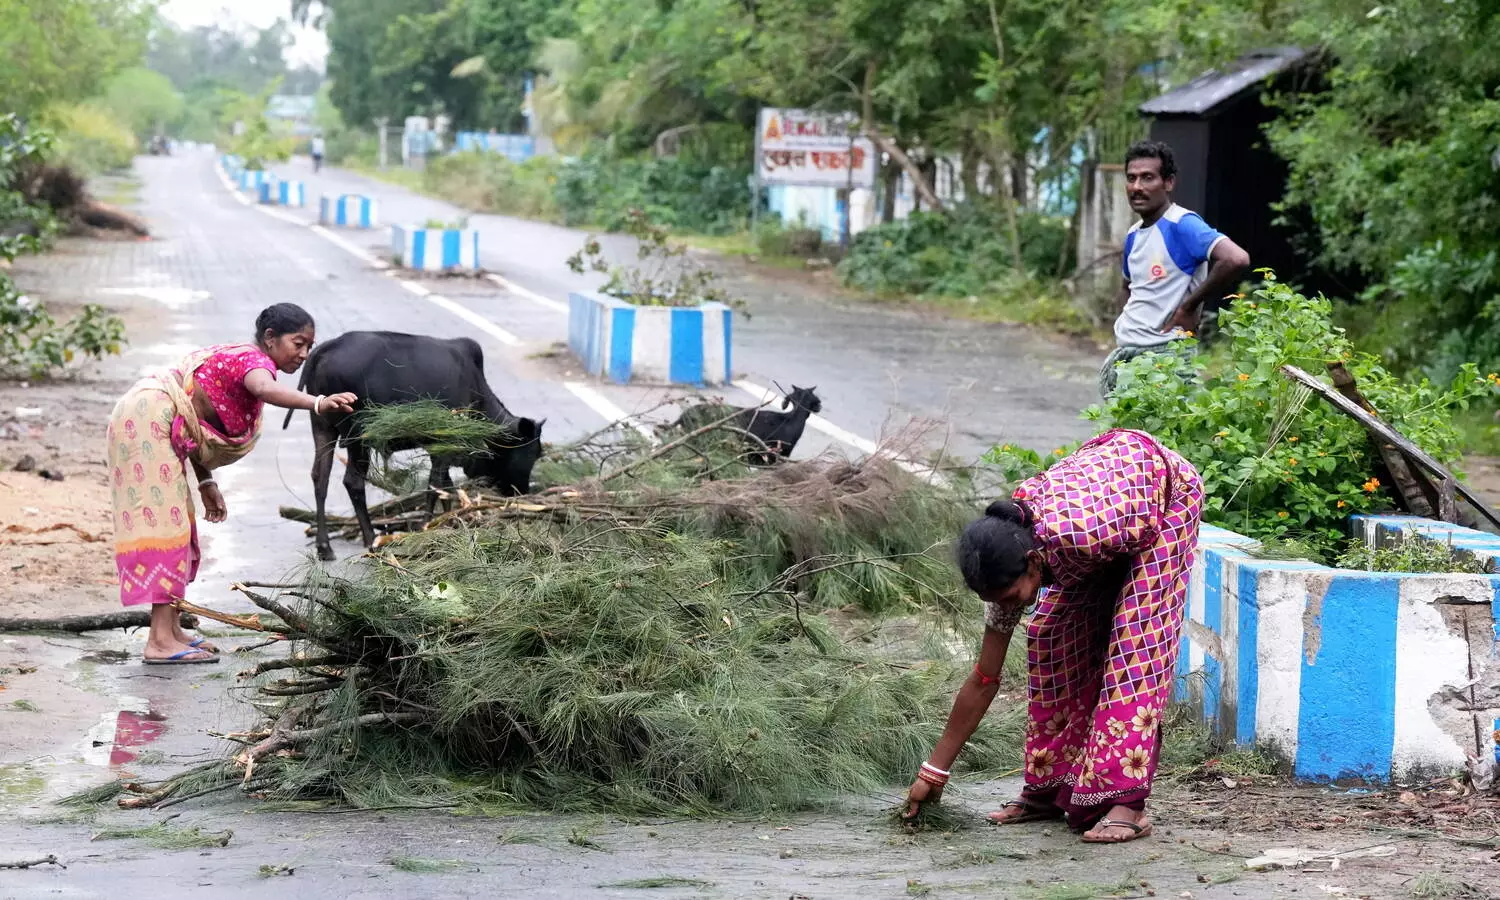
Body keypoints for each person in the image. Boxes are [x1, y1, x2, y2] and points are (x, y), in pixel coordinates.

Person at [904, 428, 1203, 844]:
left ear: (1033, 563)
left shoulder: (1085, 534)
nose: (1009, 606)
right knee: (1049, 639)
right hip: (1106, 514)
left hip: (1162, 497)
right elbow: (984, 678)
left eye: (1012, 597)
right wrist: (934, 772)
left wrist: (1119, 608)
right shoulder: (1009, 561)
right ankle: (1049, 789)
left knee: (1133, 648)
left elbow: (1134, 550)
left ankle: (1128, 805)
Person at [107, 304, 357, 664]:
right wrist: (317, 403)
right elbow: (264, 388)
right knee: (166, 528)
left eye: (309, 346)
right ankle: (159, 641)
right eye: (297, 343)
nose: (303, 354)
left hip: (159, 421)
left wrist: (206, 479)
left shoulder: (243, 359)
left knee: (181, 524)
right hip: (146, 420)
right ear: (270, 339)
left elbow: (191, 421)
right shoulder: (253, 363)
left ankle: (172, 630)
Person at [1100, 140, 1251, 398]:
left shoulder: (1181, 224)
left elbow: (1236, 259)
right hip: (1127, 353)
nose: (1137, 187)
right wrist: (1125, 323)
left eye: (1148, 178)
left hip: (1166, 356)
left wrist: (1188, 307)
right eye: (1131, 178)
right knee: (1129, 436)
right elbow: (1129, 287)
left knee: (1167, 435)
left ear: (1168, 183)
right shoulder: (1134, 235)